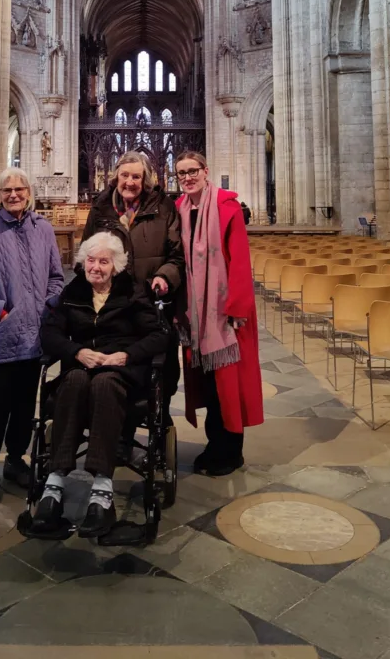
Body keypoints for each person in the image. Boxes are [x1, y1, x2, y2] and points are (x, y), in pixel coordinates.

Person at [33, 232, 169, 537]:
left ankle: (102, 488)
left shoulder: (133, 293)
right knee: (75, 380)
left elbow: (159, 335)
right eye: (91, 260)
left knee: (105, 384)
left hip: (119, 374)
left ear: (116, 265)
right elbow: (49, 334)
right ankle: (54, 483)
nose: (96, 267)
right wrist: (76, 352)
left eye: (104, 261)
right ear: (83, 262)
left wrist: (126, 355)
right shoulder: (72, 292)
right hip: (81, 367)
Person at [0, 167, 64, 505]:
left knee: (24, 406)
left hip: (34, 337)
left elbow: (56, 277)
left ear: (29, 192)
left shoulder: (44, 229)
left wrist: (47, 308)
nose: (14, 195)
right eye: (7, 190)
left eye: (20, 189)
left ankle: (16, 460)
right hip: (3, 338)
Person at [174, 151, 263, 476]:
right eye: (181, 173)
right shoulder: (179, 210)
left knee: (229, 386)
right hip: (197, 316)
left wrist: (235, 309)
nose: (187, 177)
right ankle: (215, 445)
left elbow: (239, 259)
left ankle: (230, 451)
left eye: (192, 170)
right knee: (209, 386)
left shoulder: (228, 207)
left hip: (225, 316)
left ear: (205, 171)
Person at [82, 150, 184, 431]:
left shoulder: (164, 207)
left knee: (160, 367)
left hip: (152, 304)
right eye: (125, 175)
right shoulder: (101, 207)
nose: (130, 182)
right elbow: (86, 254)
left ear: (145, 179)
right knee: (114, 367)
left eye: (136, 176)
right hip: (112, 306)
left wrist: (164, 276)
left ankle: (159, 413)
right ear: (115, 177)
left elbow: (177, 256)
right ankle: (117, 429)